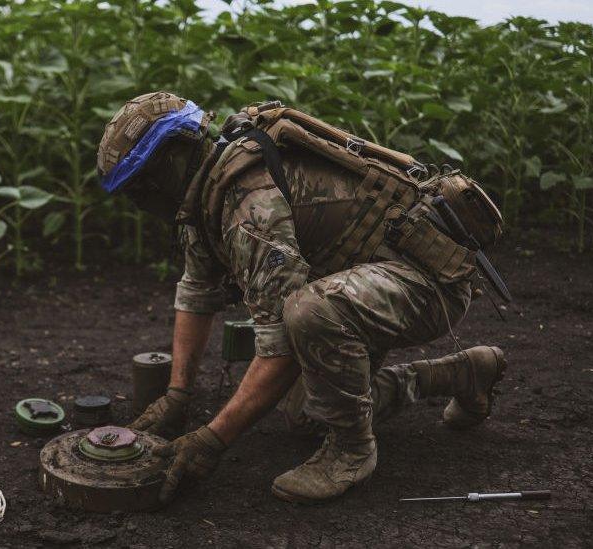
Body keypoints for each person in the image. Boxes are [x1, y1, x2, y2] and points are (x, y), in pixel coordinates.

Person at [97, 91, 508, 504]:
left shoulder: (248, 203)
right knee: (308, 414)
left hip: (429, 283)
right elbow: (197, 293)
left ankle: (352, 453)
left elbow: (278, 346)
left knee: (308, 312)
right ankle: (462, 373)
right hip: (371, 281)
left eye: (141, 184)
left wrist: (210, 440)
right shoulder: (207, 194)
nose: (140, 200)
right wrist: (177, 397)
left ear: (171, 159)